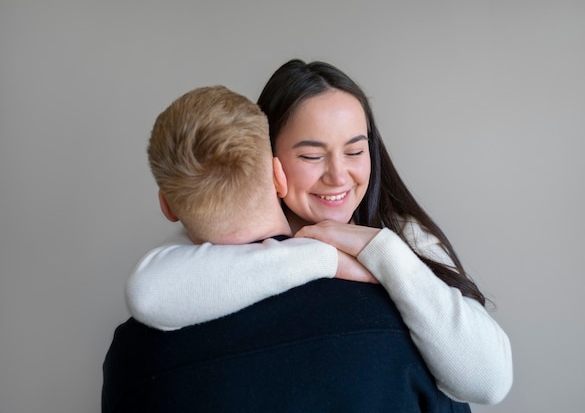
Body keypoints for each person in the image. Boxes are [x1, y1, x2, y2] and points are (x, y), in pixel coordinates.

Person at [125, 60, 514, 405]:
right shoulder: (229, 238)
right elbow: (151, 292)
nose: (338, 175)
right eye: (311, 156)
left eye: (355, 151)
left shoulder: (403, 235)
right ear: (269, 163)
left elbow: (489, 382)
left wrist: (385, 253)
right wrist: (325, 257)